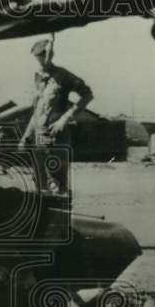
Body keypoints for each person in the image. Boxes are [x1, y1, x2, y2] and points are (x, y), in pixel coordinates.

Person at [18, 38, 94, 193]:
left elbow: (87, 94)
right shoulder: (38, 78)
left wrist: (64, 119)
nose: (41, 61)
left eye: (45, 56)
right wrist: (26, 135)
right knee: (40, 183)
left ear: (51, 55)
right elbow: (37, 111)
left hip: (56, 136)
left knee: (58, 184)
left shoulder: (63, 75)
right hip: (39, 137)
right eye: (38, 58)